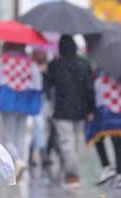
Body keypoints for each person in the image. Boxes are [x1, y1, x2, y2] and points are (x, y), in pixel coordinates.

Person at [0, 43, 43, 180]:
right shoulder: (30, 63)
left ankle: (17, 161)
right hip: (24, 102)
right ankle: (20, 162)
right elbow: (38, 84)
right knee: (20, 134)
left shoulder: (4, 61)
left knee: (7, 135)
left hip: (8, 101)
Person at [47, 35, 95, 188]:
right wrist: (91, 109)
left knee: (66, 143)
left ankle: (72, 175)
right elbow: (89, 88)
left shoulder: (55, 64)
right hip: (80, 110)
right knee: (76, 142)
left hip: (62, 109)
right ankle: (72, 172)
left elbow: (48, 84)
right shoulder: (84, 63)